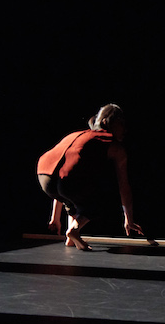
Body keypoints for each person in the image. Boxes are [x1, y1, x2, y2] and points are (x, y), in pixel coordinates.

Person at [37, 104, 143, 251]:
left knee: (71, 196)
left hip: (43, 175)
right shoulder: (111, 144)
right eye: (121, 124)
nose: (125, 129)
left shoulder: (77, 136)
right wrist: (129, 219)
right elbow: (123, 186)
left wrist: (55, 218)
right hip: (65, 180)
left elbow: (60, 175)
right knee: (100, 199)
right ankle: (74, 230)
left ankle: (70, 239)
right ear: (106, 122)